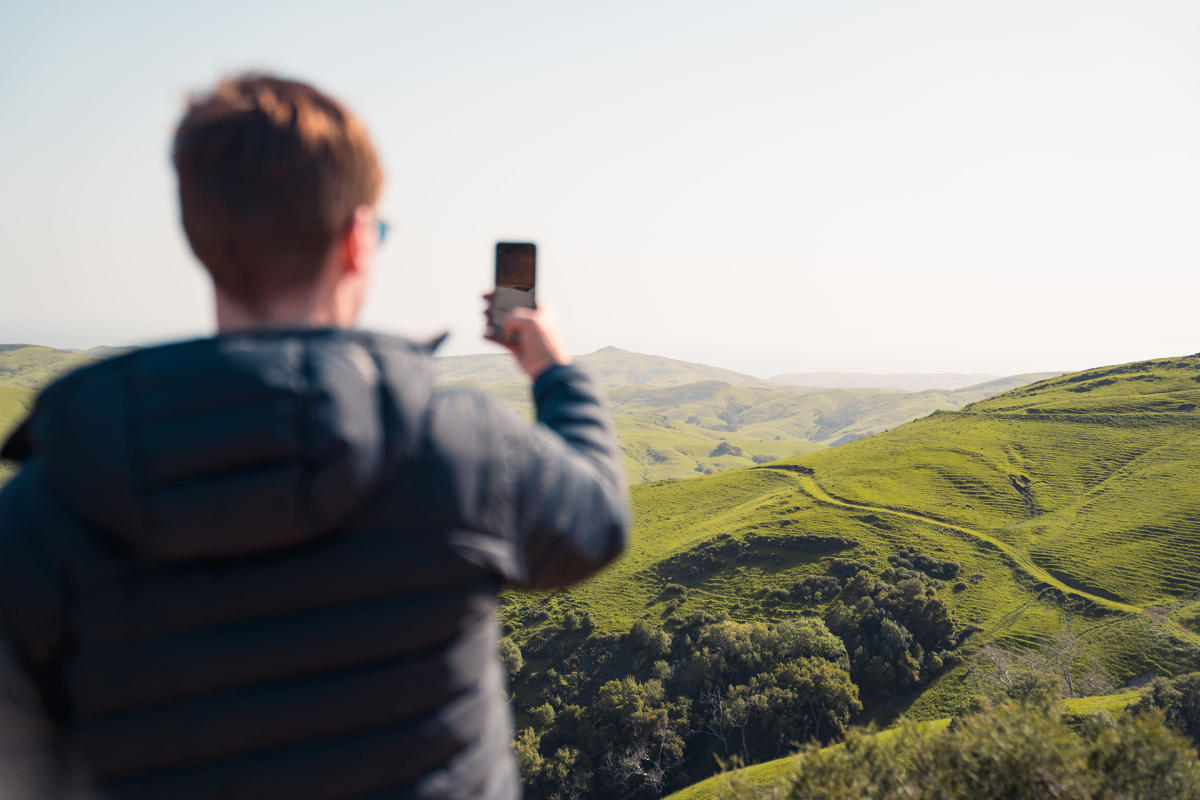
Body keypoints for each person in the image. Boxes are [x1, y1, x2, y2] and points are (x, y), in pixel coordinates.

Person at [0, 73, 629, 799]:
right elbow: (598, 520)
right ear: (359, 240)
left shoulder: (46, 506)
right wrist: (553, 370)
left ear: (200, 237)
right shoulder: (463, 448)